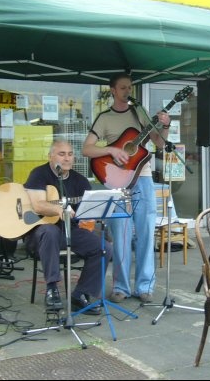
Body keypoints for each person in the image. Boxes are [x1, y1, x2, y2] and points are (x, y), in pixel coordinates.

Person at [82, 72, 171, 304]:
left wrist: (166, 126)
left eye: (130, 87)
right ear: (112, 90)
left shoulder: (139, 113)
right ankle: (120, 286)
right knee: (120, 233)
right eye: (122, 88)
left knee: (145, 231)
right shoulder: (104, 118)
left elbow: (160, 144)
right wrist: (111, 150)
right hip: (116, 181)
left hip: (143, 178)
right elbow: (87, 149)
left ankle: (145, 286)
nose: (127, 91)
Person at [24, 138, 112, 315]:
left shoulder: (80, 181)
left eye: (70, 154)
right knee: (50, 231)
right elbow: (37, 205)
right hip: (38, 233)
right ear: (50, 156)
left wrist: (90, 216)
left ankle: (81, 294)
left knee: (104, 248)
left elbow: (85, 216)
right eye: (61, 154)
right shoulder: (39, 174)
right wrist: (58, 208)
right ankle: (52, 289)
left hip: (69, 231)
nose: (67, 158)